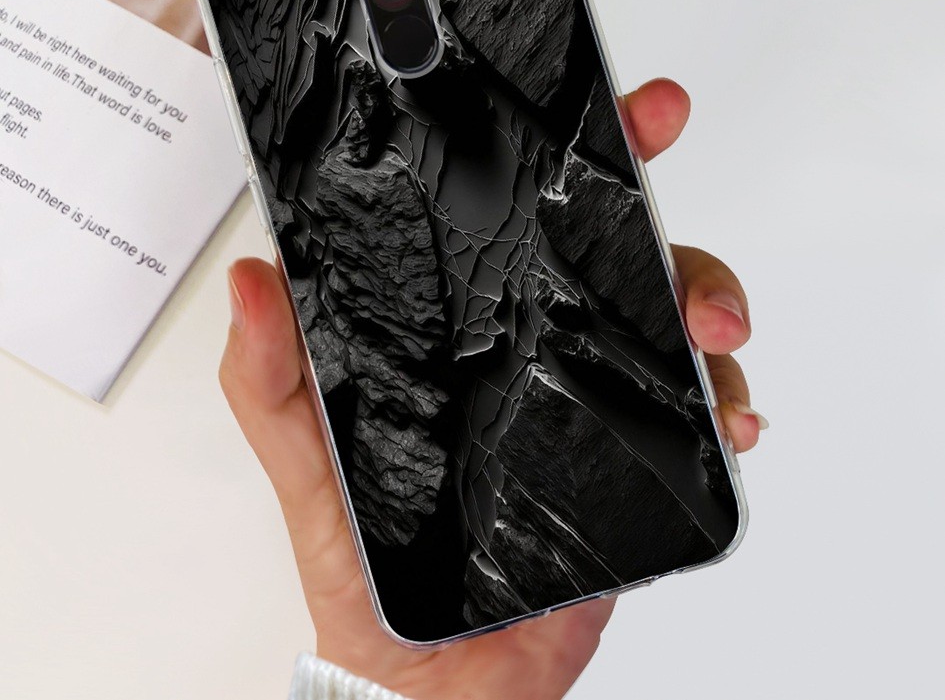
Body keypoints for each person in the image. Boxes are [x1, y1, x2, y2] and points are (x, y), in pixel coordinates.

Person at [219, 79, 768, 700]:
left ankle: (678, 420)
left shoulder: (474, 142)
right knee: (564, 366)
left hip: (503, 330)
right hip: (497, 339)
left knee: (576, 354)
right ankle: (677, 422)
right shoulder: (447, 144)